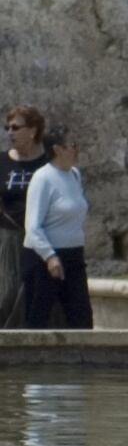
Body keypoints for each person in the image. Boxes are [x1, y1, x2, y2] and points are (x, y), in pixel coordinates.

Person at [20, 129, 92, 329]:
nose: (76, 150)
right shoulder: (42, 178)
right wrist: (50, 256)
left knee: (81, 316)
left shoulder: (74, 175)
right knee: (39, 317)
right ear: (57, 149)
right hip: (43, 258)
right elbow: (32, 225)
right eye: (72, 146)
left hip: (73, 255)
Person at [1, 104, 45, 323]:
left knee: (35, 294)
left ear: (33, 130)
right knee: (6, 295)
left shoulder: (48, 163)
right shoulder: (2, 161)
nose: (10, 132)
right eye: (7, 128)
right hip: (9, 238)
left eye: (15, 127)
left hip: (42, 238)